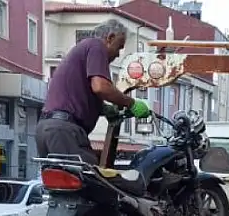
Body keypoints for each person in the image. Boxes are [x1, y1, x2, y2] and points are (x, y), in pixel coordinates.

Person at [37, 19, 151, 165]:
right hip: (63, 130)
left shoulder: (82, 51)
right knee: (90, 178)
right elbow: (100, 87)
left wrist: (104, 109)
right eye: (119, 47)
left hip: (47, 128)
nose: (118, 54)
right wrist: (131, 103)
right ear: (110, 38)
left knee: (61, 182)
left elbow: (80, 93)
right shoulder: (97, 46)